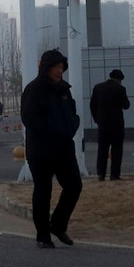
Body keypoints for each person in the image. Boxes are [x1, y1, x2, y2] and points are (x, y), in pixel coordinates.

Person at [20, 49, 82, 249]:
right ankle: (43, 235)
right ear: (46, 68)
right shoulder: (34, 89)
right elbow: (29, 119)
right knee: (43, 192)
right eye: (56, 67)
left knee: (74, 186)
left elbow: (72, 113)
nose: (59, 70)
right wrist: (51, 132)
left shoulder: (64, 89)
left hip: (64, 148)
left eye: (62, 67)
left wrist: (72, 126)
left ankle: (57, 224)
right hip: (41, 151)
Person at [89, 69, 130, 181]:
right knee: (116, 150)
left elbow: (92, 105)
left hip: (102, 124)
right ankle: (114, 175)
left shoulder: (98, 88)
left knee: (102, 149)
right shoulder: (120, 89)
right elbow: (126, 105)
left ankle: (101, 174)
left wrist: (97, 119)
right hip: (117, 124)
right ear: (119, 79)